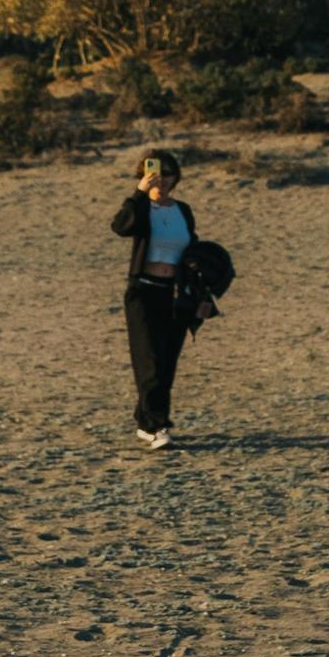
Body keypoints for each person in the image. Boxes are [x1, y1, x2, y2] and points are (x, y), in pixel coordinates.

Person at [111, 150, 198, 448]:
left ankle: (145, 417)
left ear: (176, 178)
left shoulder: (183, 211)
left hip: (174, 293)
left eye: (168, 174)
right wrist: (139, 193)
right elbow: (121, 227)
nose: (162, 179)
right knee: (148, 359)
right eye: (155, 173)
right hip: (143, 291)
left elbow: (193, 251)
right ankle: (156, 425)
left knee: (166, 362)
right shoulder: (141, 208)